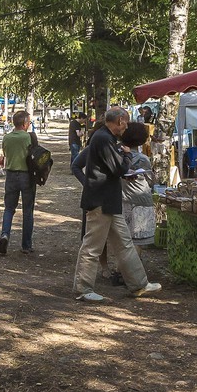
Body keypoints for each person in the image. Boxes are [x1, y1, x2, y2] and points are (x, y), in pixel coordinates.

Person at [71, 108, 161, 302]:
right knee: (92, 247)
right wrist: (127, 156)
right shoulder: (103, 139)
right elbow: (119, 168)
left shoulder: (105, 138)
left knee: (125, 244)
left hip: (109, 201)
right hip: (101, 202)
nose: (127, 127)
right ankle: (83, 289)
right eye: (126, 123)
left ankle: (139, 284)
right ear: (120, 121)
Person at [0, 110, 37, 255]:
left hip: (11, 174)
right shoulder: (28, 137)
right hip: (26, 175)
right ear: (25, 123)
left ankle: (5, 234)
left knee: (9, 209)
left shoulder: (7, 138)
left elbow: (5, 154)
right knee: (27, 210)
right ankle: (26, 245)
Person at [121, 122, 157, 248]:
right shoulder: (143, 159)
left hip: (123, 197)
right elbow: (150, 181)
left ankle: (123, 265)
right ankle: (136, 266)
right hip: (142, 198)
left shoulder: (118, 156)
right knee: (138, 240)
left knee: (124, 239)